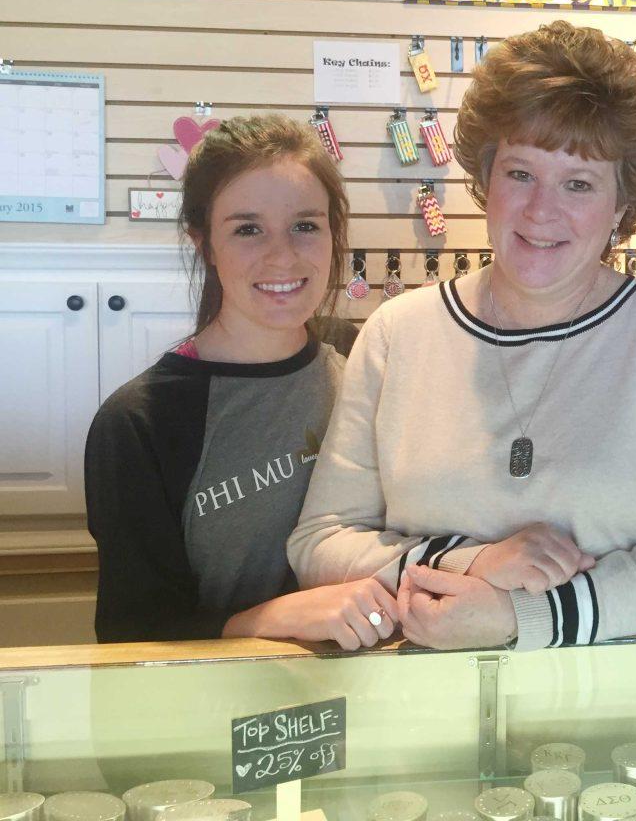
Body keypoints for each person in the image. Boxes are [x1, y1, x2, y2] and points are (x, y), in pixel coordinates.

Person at [288, 20, 636, 651]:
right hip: (420, 699)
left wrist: (518, 618)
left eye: (579, 184)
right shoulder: (398, 333)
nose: (541, 210)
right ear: (485, 179)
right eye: (521, 174)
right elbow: (321, 540)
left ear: (622, 206)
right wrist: (469, 564)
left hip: (612, 705)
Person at [86, 115, 400, 648]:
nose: (282, 255)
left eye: (305, 225)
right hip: (223, 708)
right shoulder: (138, 422)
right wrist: (271, 618)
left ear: (333, 233)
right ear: (205, 243)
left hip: (371, 679)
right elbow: (132, 631)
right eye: (247, 229)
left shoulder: (358, 354)